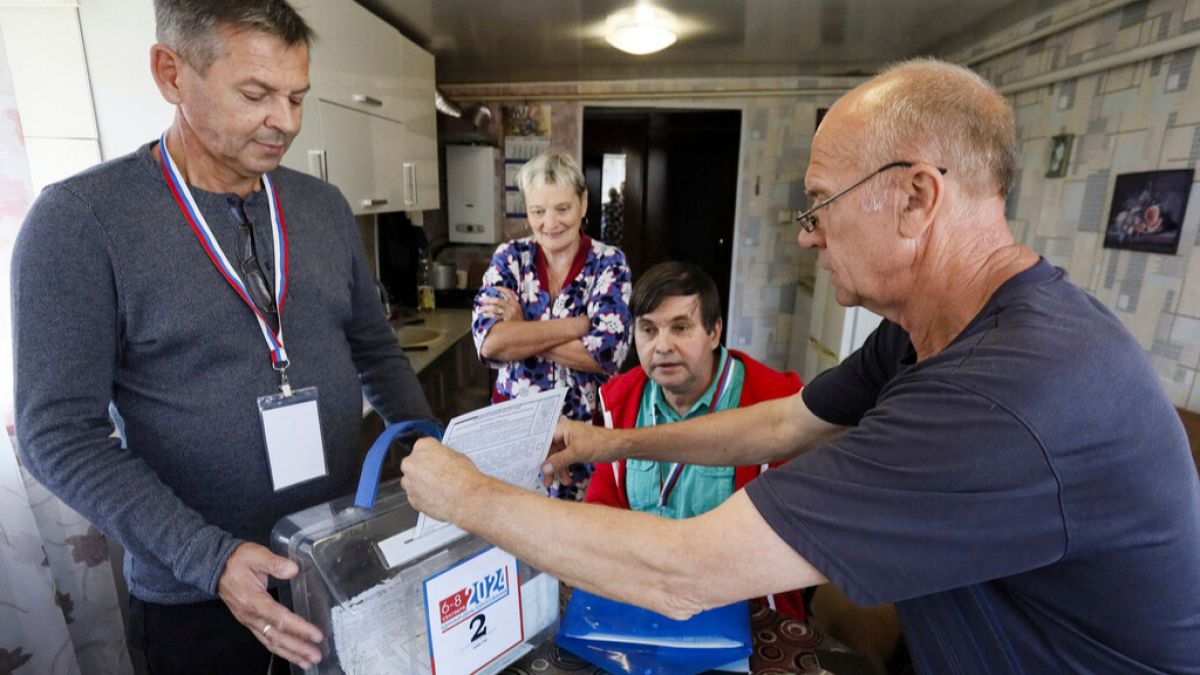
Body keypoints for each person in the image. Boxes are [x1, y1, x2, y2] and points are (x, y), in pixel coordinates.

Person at [400, 57, 1200, 673]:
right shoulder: (936, 328)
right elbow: (785, 420)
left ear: (917, 198)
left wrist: (469, 495)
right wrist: (608, 441)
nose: (807, 233)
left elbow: (685, 572)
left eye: (820, 203)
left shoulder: (1006, 394)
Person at [11, 1, 434, 672]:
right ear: (171, 73)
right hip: (197, 596)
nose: (287, 122)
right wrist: (208, 557)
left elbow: (375, 348)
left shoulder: (321, 206)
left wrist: (425, 445)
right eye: (256, 94)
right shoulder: (80, 222)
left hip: (342, 558)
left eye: (296, 96)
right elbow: (56, 432)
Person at [583, 260, 810, 618]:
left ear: (714, 332)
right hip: (643, 603)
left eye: (681, 327)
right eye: (648, 330)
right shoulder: (620, 403)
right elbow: (602, 508)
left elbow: (793, 539)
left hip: (743, 613)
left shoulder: (775, 404)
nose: (662, 346)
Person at [473, 152, 632, 495]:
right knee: (510, 529)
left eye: (562, 208)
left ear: (583, 203)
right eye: (538, 211)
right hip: (514, 433)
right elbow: (491, 343)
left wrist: (523, 329)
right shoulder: (509, 257)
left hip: (582, 439)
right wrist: (577, 326)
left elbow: (606, 355)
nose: (550, 222)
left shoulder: (609, 263)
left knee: (577, 538)